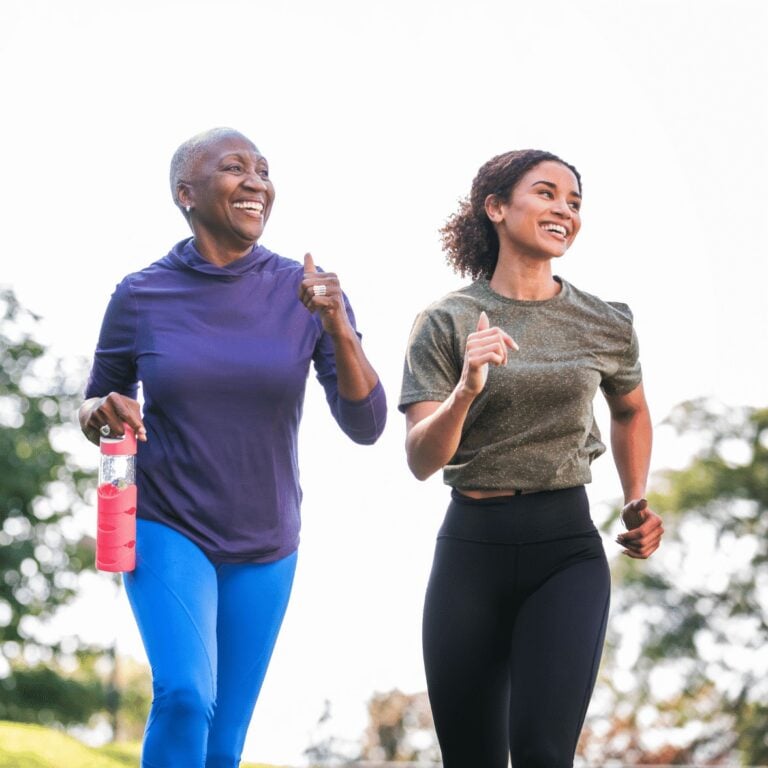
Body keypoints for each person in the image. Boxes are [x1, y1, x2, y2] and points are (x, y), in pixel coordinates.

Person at [79, 127, 386, 768]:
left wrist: (338, 327)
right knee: (187, 695)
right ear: (185, 194)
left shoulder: (305, 291)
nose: (256, 182)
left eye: (263, 170)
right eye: (234, 168)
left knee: (224, 743)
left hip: (267, 537)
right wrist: (102, 413)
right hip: (167, 522)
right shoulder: (141, 294)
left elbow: (367, 423)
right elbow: (95, 402)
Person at [399, 149, 663, 768]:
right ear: (495, 208)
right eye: (546, 194)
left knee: (545, 753)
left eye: (574, 202)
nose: (564, 211)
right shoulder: (447, 320)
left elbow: (630, 411)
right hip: (471, 551)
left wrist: (635, 499)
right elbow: (419, 458)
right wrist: (466, 389)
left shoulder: (605, 322)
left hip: (563, 550)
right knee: (473, 759)